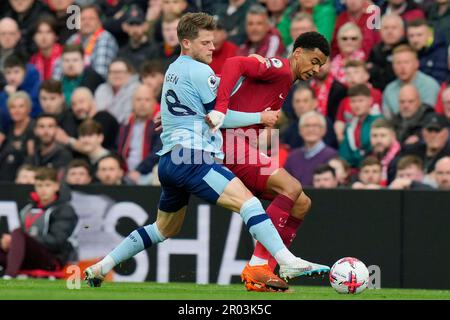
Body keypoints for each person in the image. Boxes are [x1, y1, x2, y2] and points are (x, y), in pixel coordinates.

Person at [84, 12, 329, 289]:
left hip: (169, 160)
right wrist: (259, 117)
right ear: (186, 43)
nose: (213, 48)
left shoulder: (173, 70)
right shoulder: (204, 71)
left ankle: (101, 266)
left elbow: (203, 100)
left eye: (213, 42)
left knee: (163, 229)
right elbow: (221, 104)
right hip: (193, 157)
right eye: (206, 43)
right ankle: (279, 261)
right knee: (249, 203)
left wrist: (184, 117)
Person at [208, 31, 330, 291]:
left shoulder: (286, 81)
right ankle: (257, 265)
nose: (316, 69)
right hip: (230, 144)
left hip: (238, 145)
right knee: (291, 186)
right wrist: (220, 107)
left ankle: (268, 273)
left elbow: (227, 80)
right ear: (298, 53)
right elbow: (233, 64)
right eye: (314, 61)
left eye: (321, 65)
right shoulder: (281, 69)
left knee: (301, 203)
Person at [0, 167, 78, 278]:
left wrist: (27, 238)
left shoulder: (64, 210)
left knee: (17, 233)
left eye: (47, 185)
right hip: (29, 257)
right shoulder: (27, 209)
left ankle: (9, 275)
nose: (43, 190)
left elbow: (57, 241)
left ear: (56, 186)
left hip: (52, 260)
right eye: (39, 185)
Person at [383, 45, 440, 120]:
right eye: (398, 63)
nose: (402, 67)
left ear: (416, 64)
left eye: (406, 62)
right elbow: (387, 119)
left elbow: (430, 116)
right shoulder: (389, 90)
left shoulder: (430, 86)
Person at [284, 110, 337, 187]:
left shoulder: (332, 156)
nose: (311, 129)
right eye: (307, 126)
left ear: (324, 130)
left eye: (315, 126)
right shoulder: (292, 157)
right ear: (300, 130)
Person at [65, 3, 118, 78]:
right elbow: (60, 68)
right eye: (82, 19)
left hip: (94, 85)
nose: (86, 22)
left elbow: (100, 74)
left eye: (91, 18)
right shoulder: (72, 39)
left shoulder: (104, 38)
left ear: (99, 22)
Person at [339, 84, 381, 168]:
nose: (357, 105)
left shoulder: (379, 122)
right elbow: (344, 155)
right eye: (353, 101)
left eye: (360, 101)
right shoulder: (350, 127)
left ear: (370, 101)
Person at [366, 13, 407, 91]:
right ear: (380, 31)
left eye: (394, 28)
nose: (389, 32)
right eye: (385, 28)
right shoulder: (375, 50)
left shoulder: (408, 50)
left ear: (402, 31)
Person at [406, 19, 449, 83]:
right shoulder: (406, 52)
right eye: (411, 36)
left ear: (429, 35)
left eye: (419, 35)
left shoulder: (441, 53)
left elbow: (439, 79)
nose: (415, 40)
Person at [370, 118, 401, 186]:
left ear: (393, 137)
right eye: (374, 136)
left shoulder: (401, 159)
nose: (378, 140)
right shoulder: (368, 157)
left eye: (383, 135)